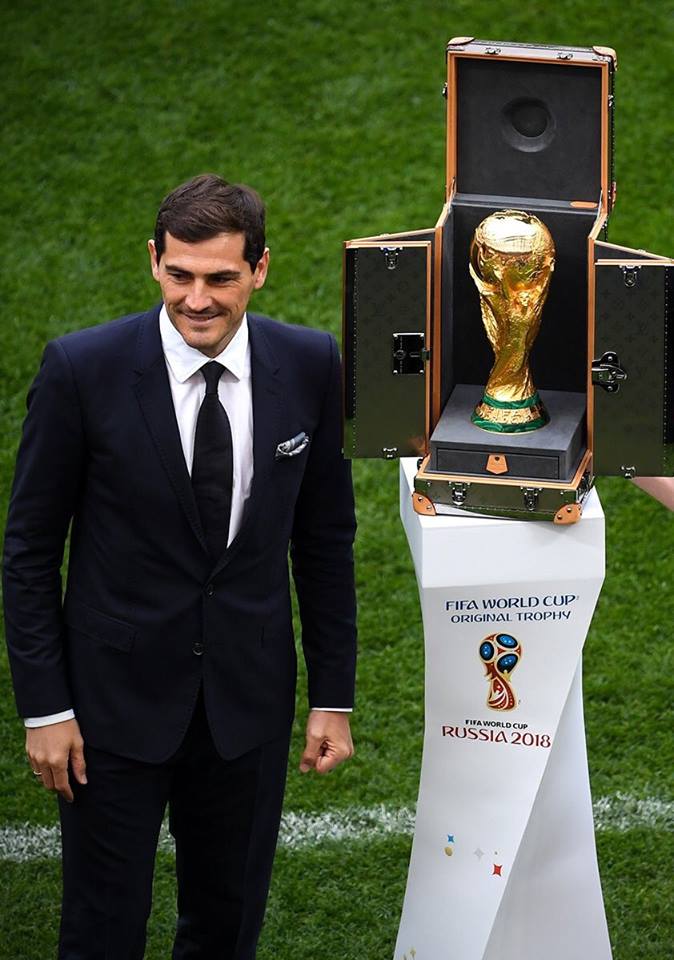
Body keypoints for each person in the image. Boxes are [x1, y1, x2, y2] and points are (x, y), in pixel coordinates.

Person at [2, 174, 357, 959]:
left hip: (247, 706)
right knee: (101, 931)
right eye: (179, 275)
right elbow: (29, 550)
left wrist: (333, 697)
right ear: (154, 260)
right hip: (110, 710)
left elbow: (325, 541)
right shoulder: (81, 369)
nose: (197, 300)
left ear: (260, 269)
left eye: (220, 278)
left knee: (226, 930)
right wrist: (45, 709)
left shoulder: (312, 363)